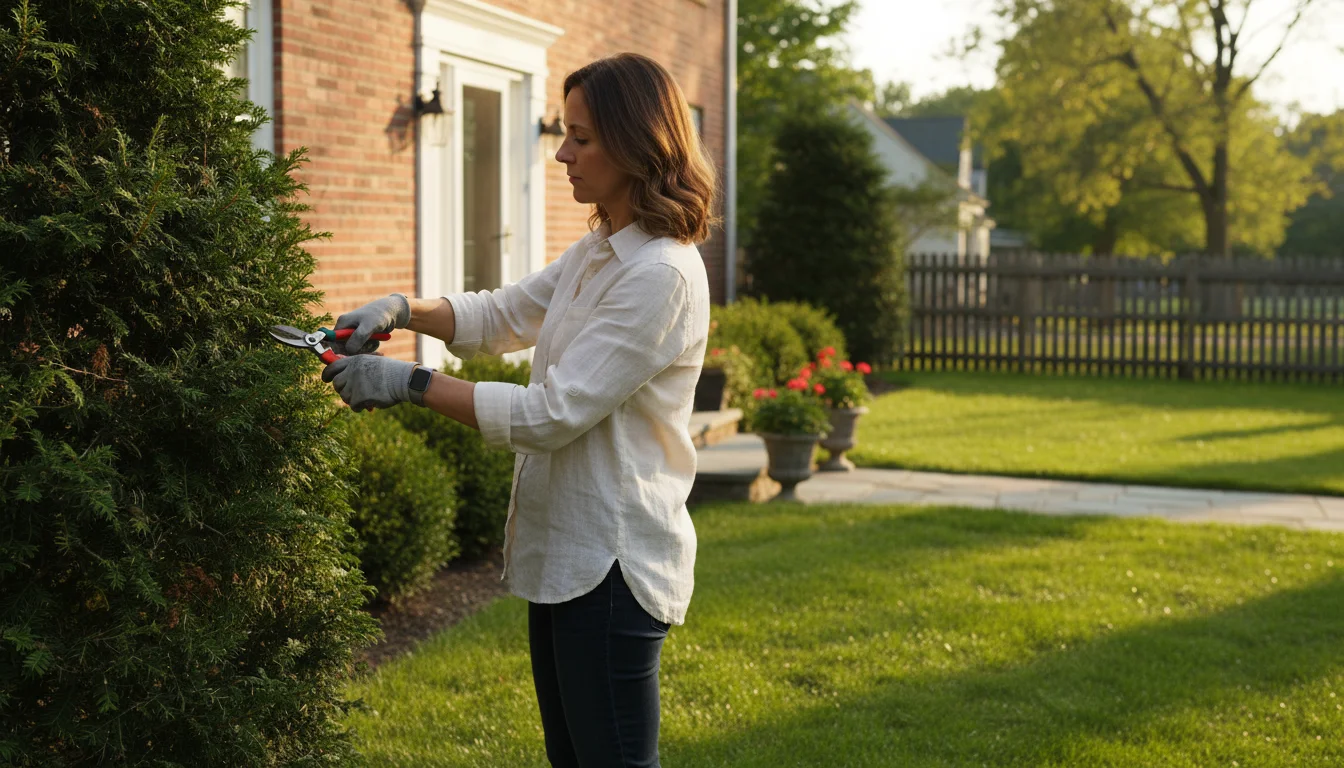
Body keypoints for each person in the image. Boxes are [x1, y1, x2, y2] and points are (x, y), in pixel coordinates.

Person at [323, 52, 717, 767]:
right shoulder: (602, 250)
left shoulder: (658, 276)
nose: (563, 153)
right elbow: (503, 313)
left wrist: (404, 383)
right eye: (565, 132)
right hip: (570, 559)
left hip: (611, 565)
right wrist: (401, 308)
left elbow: (550, 415)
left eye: (582, 137)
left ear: (638, 144)